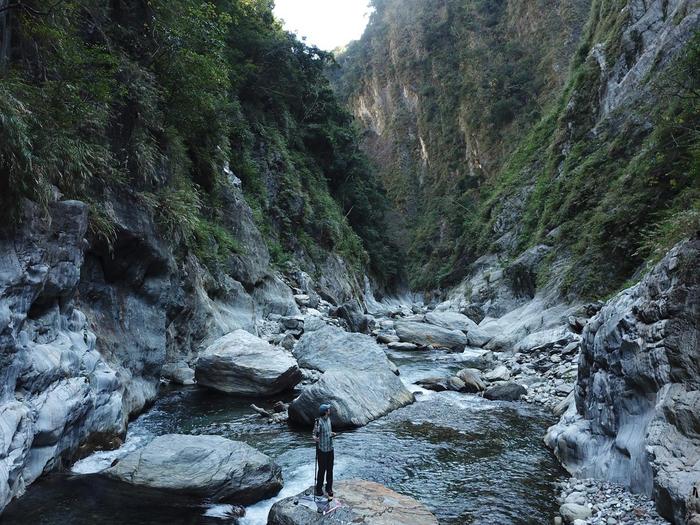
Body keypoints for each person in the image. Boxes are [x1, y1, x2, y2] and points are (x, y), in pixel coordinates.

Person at [312, 402, 337, 498]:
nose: (329, 410)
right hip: (322, 450)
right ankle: (319, 489)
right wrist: (315, 438)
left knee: (330, 469)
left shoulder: (329, 420)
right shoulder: (319, 422)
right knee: (322, 470)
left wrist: (332, 433)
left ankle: (329, 488)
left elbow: (327, 432)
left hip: (330, 448)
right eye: (328, 409)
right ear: (326, 412)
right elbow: (314, 434)